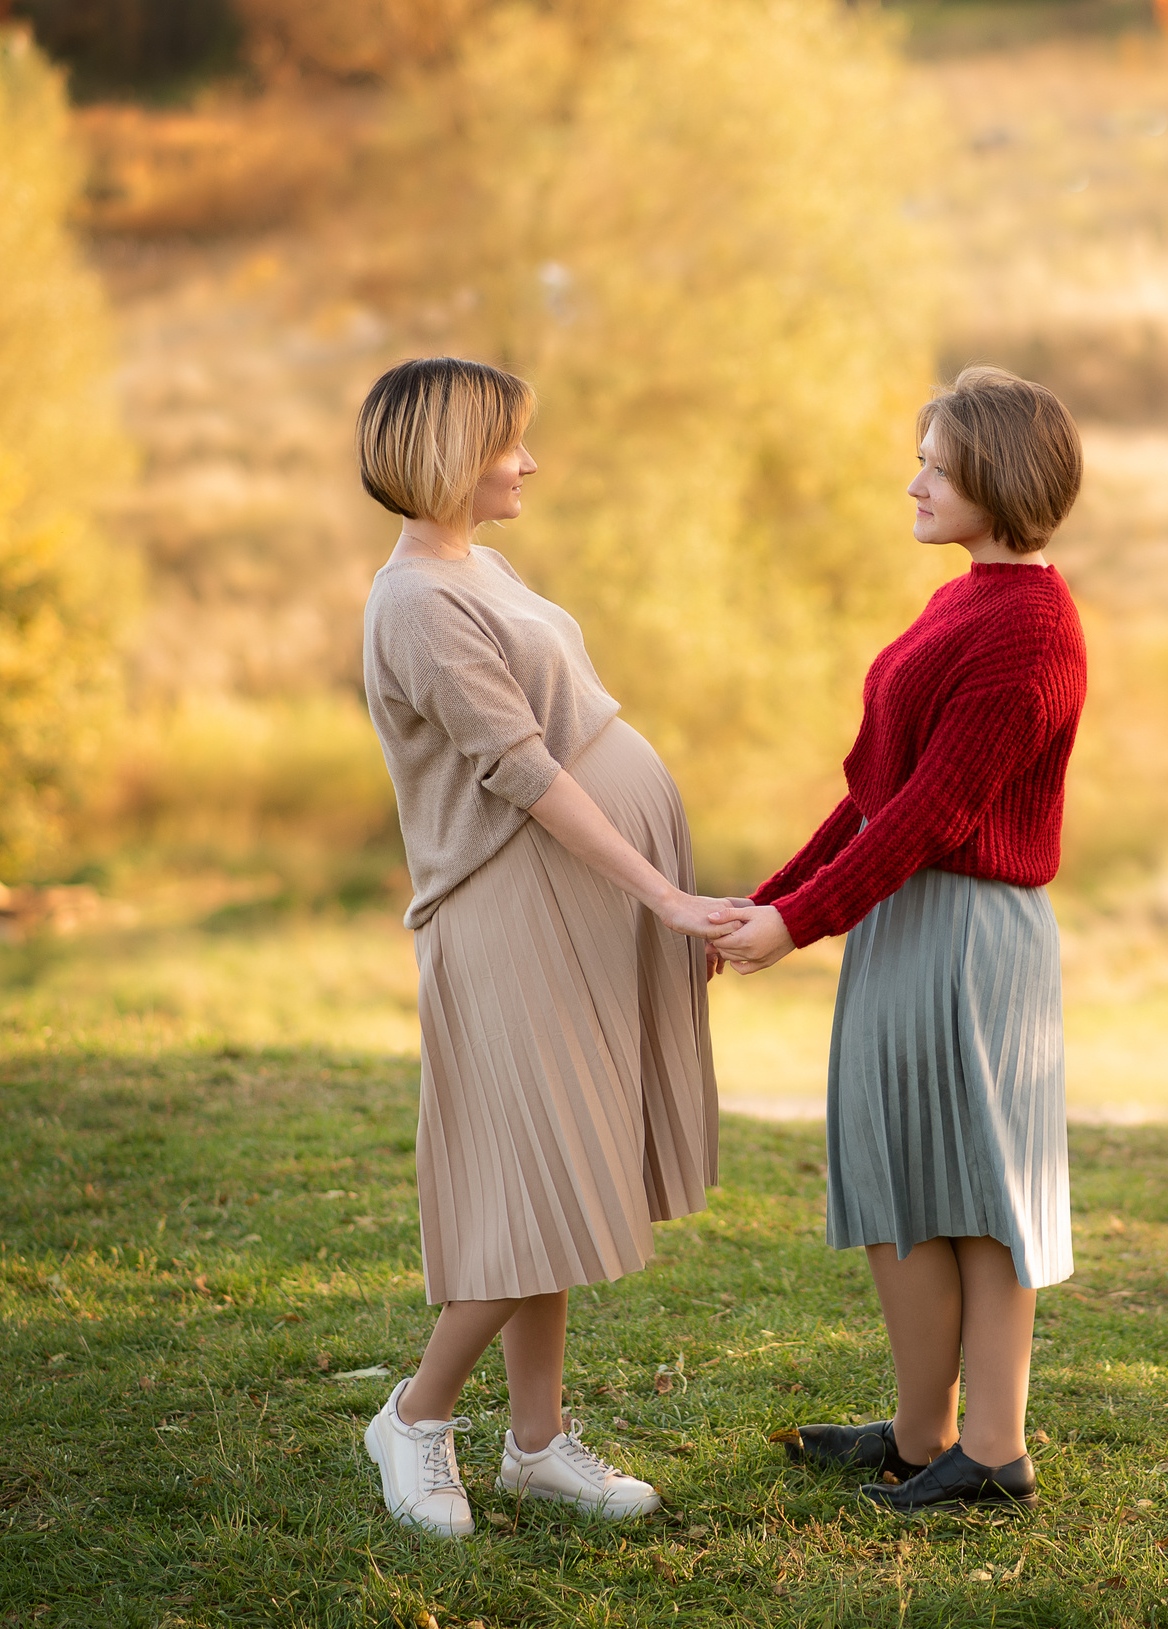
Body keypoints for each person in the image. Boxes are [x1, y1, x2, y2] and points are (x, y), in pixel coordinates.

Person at [353, 357, 744, 1538]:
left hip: (566, 897)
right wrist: (661, 896)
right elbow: (521, 771)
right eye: (508, 443)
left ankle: (535, 1443)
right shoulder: (417, 601)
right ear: (447, 453)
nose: (528, 462)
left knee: (561, 1173)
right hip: (511, 904)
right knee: (547, 1170)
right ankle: (416, 1418)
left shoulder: (481, 566)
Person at [717, 366, 1087, 1513]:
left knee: (974, 1186)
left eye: (936, 460)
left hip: (970, 933)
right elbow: (881, 793)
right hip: (904, 918)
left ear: (998, 474)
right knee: (899, 1175)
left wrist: (798, 920)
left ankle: (991, 1449)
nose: (915, 479)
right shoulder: (960, 600)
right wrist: (771, 899)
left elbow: (935, 816)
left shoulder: (1031, 628)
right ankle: (921, 1430)